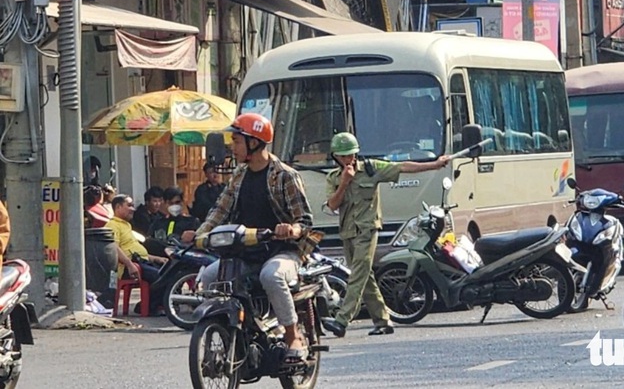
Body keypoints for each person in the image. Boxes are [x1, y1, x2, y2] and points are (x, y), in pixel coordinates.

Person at [181, 113, 313, 364]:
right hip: (245, 250)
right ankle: (228, 333)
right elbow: (220, 210)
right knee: (209, 275)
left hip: (282, 251)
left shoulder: (284, 175)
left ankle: (292, 335)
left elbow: (304, 221)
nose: (232, 146)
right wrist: (200, 234)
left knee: (270, 276)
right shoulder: (239, 175)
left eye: (237, 141)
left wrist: (291, 230)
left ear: (254, 143)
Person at [320, 132, 450, 338]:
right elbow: (332, 205)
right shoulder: (333, 178)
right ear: (335, 156)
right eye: (344, 156)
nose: (349, 159)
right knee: (365, 275)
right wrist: (344, 183)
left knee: (358, 274)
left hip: (367, 229)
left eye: (352, 155)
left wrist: (434, 164)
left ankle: (342, 319)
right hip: (347, 231)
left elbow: (403, 167)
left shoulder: (371, 168)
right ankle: (382, 320)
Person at [105, 194, 169, 315]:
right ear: (118, 207)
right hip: (127, 267)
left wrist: (157, 258)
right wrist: (129, 264)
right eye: (129, 205)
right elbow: (114, 248)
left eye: (133, 206)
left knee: (170, 271)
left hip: (140, 262)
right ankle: (147, 306)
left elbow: (135, 250)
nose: (133, 209)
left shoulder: (127, 225)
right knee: (159, 276)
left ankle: (159, 304)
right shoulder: (112, 225)